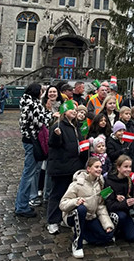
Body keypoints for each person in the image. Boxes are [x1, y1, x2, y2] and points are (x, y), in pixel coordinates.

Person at [59, 157, 115, 259]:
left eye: (100, 167)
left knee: (108, 237)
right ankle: (77, 244)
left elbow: (100, 206)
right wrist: (75, 202)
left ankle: (85, 233)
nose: (99, 169)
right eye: (96, 167)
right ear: (88, 169)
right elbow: (62, 204)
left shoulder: (100, 183)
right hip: (73, 215)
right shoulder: (77, 184)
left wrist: (107, 224)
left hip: (90, 216)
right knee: (81, 209)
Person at [46, 100, 85, 234]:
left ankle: (64, 218)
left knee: (68, 195)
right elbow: (53, 143)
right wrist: (56, 136)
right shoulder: (58, 125)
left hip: (73, 166)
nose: (74, 111)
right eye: (71, 109)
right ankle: (52, 221)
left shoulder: (75, 126)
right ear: (64, 111)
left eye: (75, 109)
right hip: (60, 166)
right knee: (57, 194)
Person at [16, 83, 49, 218]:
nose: (42, 92)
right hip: (32, 141)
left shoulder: (27, 101)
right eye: (41, 90)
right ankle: (21, 206)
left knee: (30, 172)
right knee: (28, 174)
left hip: (29, 140)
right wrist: (51, 114)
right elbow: (40, 122)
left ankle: (22, 203)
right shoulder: (32, 104)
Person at [103, 155, 134, 242]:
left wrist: (133, 200)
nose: (128, 169)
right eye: (125, 167)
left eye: (130, 167)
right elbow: (108, 204)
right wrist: (124, 203)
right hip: (114, 212)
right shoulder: (107, 180)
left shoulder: (129, 180)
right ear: (118, 168)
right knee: (121, 216)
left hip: (126, 211)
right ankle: (114, 231)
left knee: (132, 237)